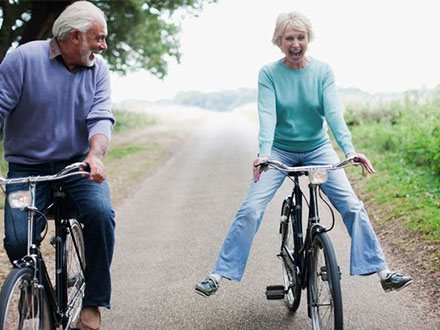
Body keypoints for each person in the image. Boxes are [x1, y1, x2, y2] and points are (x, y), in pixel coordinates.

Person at [195, 11, 412, 297]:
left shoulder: (322, 71)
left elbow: (333, 115)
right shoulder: (269, 73)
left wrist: (349, 151)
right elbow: (268, 116)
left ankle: (383, 272)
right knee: (251, 209)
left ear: (308, 39)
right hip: (279, 152)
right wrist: (263, 154)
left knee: (352, 206)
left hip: (317, 149)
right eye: (289, 38)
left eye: (301, 37)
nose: (295, 44)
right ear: (279, 41)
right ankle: (218, 274)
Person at [0, 1, 114, 329]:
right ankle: (31, 284)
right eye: (99, 38)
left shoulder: (99, 70)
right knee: (19, 241)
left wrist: (95, 156)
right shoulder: (23, 59)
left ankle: (92, 303)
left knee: (100, 215)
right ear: (75, 36)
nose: (103, 46)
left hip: (77, 166)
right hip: (26, 170)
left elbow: (101, 118)